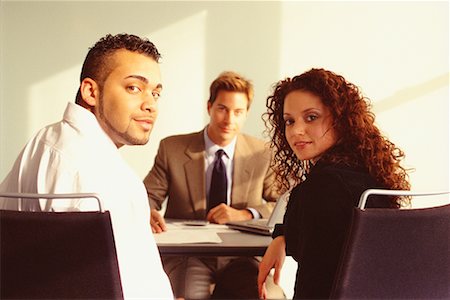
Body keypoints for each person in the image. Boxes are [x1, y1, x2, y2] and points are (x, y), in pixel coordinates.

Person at [0, 33, 174, 299]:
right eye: (134, 88)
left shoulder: (44, 141)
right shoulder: (93, 175)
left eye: (156, 93)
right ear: (91, 92)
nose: (150, 104)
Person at [257, 68, 411, 299]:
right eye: (289, 121)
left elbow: (313, 286)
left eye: (311, 117)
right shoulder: (368, 175)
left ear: (340, 119)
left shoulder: (323, 188)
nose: (297, 130)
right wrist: (282, 236)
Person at [143, 71, 283, 299]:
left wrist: (246, 214)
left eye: (238, 112)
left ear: (246, 113)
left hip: (243, 257)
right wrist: (147, 211)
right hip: (189, 256)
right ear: (209, 107)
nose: (229, 120)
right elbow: (148, 195)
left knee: (267, 296)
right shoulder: (173, 149)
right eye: (222, 109)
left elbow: (281, 204)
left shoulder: (261, 153)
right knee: (187, 296)